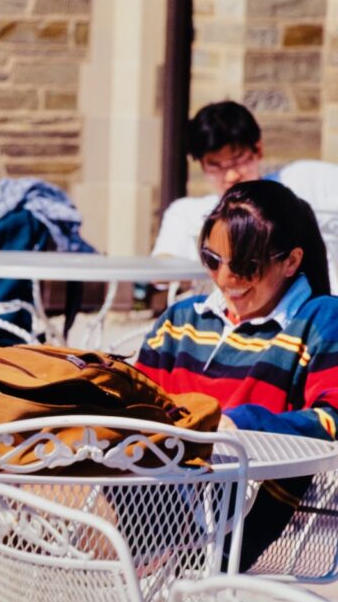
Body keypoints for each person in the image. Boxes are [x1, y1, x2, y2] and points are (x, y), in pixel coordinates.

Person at [137, 179, 338, 569]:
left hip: (228, 518)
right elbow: (136, 400)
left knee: (5, 517)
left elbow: (333, 419)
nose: (227, 278)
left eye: (247, 266)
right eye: (213, 260)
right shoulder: (182, 320)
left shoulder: (319, 321)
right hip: (150, 491)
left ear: (291, 262)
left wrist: (237, 425)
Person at [152, 100, 338, 260]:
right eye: (215, 166)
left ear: (258, 149)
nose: (231, 176)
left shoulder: (309, 181)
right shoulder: (187, 214)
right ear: (201, 165)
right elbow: (163, 268)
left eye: (237, 160)